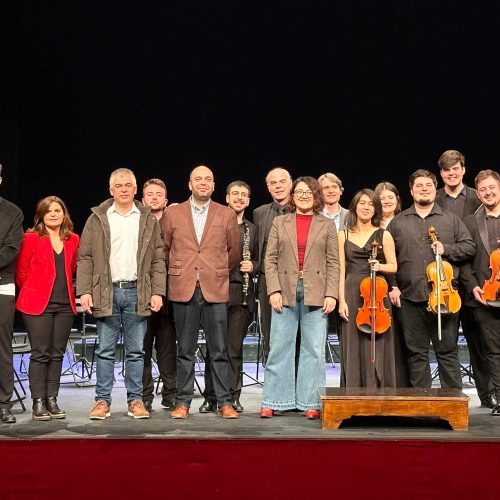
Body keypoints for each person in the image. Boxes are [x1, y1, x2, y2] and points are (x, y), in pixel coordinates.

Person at [77, 167, 166, 420]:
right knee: (105, 350)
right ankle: (102, 401)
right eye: (119, 185)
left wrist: (158, 291)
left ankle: (135, 400)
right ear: (111, 190)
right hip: (107, 292)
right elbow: (85, 258)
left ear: (136, 189)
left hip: (137, 291)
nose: (124, 189)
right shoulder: (97, 218)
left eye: (129, 185)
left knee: (136, 351)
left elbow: (158, 259)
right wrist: (84, 290)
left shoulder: (147, 218)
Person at [161, 165, 240, 419]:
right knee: (185, 349)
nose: (203, 183)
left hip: (214, 289)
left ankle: (223, 401)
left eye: (208, 180)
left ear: (214, 186)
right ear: (189, 184)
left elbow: (233, 252)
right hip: (183, 289)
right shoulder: (173, 214)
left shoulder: (226, 214)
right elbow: (165, 249)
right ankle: (182, 402)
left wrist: (213, 272)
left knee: (218, 350)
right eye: (198, 179)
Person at [388, 169, 476, 389]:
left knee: (447, 352)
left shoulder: (450, 220)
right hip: (409, 297)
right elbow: (387, 259)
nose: (424, 189)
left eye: (428, 185)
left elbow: (469, 247)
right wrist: (394, 286)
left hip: (444, 298)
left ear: (434, 189)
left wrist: (446, 249)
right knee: (416, 353)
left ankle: (454, 405)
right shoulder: (398, 223)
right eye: (419, 186)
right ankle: (421, 405)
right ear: (411, 190)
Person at [260, 176, 339, 419]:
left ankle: (309, 402)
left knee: (313, 349)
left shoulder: (326, 225)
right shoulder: (279, 222)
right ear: (293, 197)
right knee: (279, 346)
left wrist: (331, 294)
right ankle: (274, 400)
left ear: (317, 197)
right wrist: (273, 290)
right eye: (300, 192)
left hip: (316, 290)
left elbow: (334, 263)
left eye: (309, 192)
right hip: (284, 290)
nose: (304, 196)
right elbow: (270, 259)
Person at [435, 150, 496, 408]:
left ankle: (488, 394)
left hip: (474, 277)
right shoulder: (434, 198)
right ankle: (459, 397)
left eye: (456, 168)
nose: (452, 173)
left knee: (479, 341)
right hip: (444, 279)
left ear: (463, 169)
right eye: (447, 170)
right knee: (447, 343)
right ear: (441, 173)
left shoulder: (477, 196)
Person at [16, 196, 79, 420]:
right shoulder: (31, 238)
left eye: (57, 210)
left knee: (57, 354)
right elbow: (21, 272)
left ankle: (52, 399)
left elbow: (72, 269)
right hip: (36, 305)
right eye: (48, 211)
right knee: (41, 353)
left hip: (64, 305)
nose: (53, 214)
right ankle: (38, 402)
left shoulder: (73, 239)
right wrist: (35, 291)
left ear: (64, 214)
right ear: (41, 215)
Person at [201, 181, 259, 413]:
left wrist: (252, 265)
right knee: (214, 347)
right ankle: (211, 397)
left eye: (244, 195)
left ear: (248, 200)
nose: (239, 198)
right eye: (235, 194)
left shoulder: (252, 230)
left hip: (241, 292)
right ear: (226, 198)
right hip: (215, 290)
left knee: (234, 348)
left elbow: (262, 259)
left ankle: (233, 396)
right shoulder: (212, 224)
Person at [338, 189, 397, 387]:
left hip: (376, 291)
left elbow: (393, 266)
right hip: (352, 291)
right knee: (352, 342)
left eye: (371, 204)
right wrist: (341, 301)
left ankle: (379, 389)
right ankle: (353, 391)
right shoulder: (343, 235)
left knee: (378, 342)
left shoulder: (384, 234)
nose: (366, 207)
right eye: (362, 203)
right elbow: (340, 270)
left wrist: (379, 266)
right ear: (355, 206)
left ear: (376, 209)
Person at [461, 170, 500, 415]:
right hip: (486, 295)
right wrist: (472, 284)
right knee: (493, 351)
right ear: (478, 193)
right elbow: (464, 261)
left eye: (492, 187)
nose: (488, 192)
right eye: (483, 189)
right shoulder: (470, 222)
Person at [141, 178, 177, 412]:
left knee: (167, 348)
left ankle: (170, 394)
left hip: (170, 293)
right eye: (150, 194)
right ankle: (144, 395)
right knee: (141, 348)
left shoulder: (176, 222)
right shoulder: (136, 223)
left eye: (159, 194)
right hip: (142, 293)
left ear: (166, 200)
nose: (154, 197)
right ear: (142, 200)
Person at [253, 167, 293, 363]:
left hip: (295, 280)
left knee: (294, 333)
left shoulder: (301, 210)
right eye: (273, 183)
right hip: (266, 280)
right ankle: (273, 386)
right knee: (269, 333)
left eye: (282, 182)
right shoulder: (259, 213)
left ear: (290, 184)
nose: (278, 186)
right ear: (268, 188)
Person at [374, 181, 409, 387]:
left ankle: (403, 385)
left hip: (407, 284)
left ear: (397, 199)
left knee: (405, 339)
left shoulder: (406, 221)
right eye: (382, 198)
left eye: (390, 197)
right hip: (384, 287)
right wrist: (392, 286)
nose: (386, 201)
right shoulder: (373, 224)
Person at [0, 164, 24, 424]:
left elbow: (11, 249)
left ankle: (3, 403)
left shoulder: (12, 212)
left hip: (1, 284)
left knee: (2, 347)